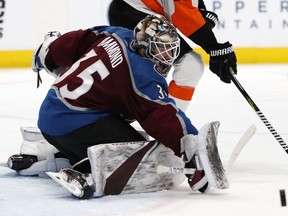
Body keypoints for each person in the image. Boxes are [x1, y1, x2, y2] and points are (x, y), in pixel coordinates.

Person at [8, 14, 228, 199]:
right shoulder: (142, 77)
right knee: (136, 150)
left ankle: (49, 156)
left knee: (115, 126)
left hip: (51, 111)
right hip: (74, 121)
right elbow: (162, 115)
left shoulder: (116, 34)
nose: (167, 57)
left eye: (170, 50)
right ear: (145, 45)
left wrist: (50, 52)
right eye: (161, 49)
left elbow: (78, 41)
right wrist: (192, 148)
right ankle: (87, 174)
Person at [108, 0, 237, 112]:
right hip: (134, 15)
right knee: (190, 65)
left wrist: (200, 10)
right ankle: (167, 125)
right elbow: (181, 14)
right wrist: (213, 47)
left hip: (135, 12)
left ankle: (166, 123)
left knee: (190, 65)